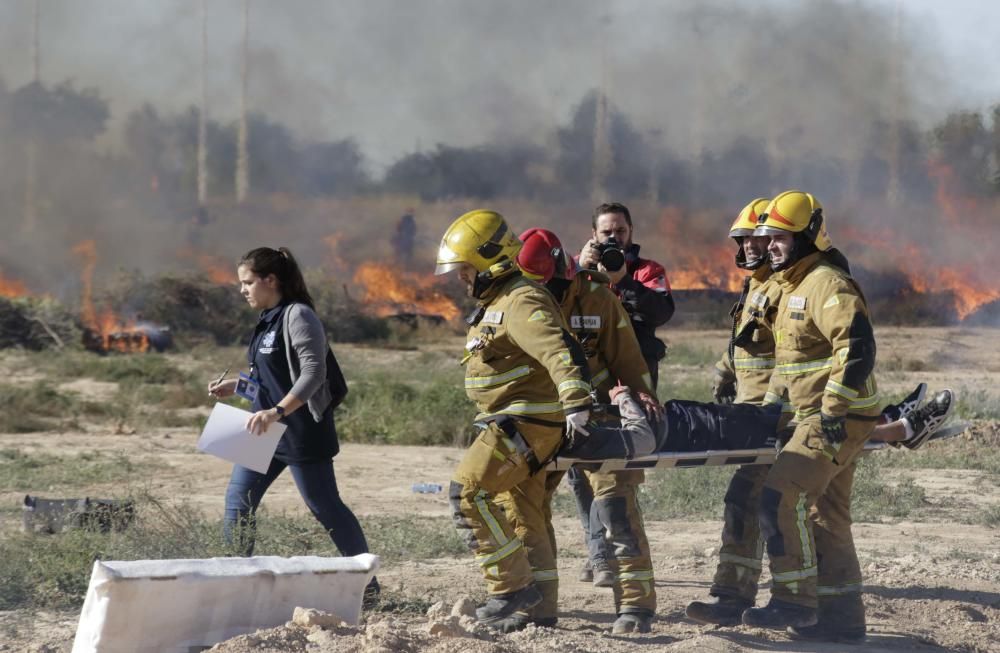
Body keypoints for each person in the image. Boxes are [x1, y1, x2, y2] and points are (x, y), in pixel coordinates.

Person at [686, 199, 936, 626]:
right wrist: (768, 411)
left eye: (780, 238)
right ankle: (841, 620)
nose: (770, 247)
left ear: (806, 238)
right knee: (824, 513)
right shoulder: (792, 285)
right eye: (768, 239)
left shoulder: (826, 284)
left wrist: (833, 411)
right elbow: (790, 362)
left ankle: (794, 603)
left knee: (780, 497)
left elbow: (857, 349)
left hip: (835, 417)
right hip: (808, 415)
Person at [434, 210, 593, 633]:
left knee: (468, 493)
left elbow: (559, 349)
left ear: (489, 261)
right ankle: (539, 612)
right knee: (524, 515)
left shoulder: (521, 299)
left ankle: (510, 590)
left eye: (466, 269)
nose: (461, 278)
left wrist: (576, 399)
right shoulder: (499, 302)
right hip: (516, 421)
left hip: (526, 424)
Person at [207, 247, 377, 598]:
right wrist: (237, 386)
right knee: (238, 500)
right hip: (264, 429)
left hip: (300, 431)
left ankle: (367, 586)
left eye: (248, 282)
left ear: (271, 280)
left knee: (324, 506)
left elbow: (314, 373)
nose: (243, 290)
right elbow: (273, 379)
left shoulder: (298, 315)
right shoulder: (267, 319)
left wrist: (278, 411)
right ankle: (234, 586)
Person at [515, 228, 657, 634]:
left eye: (554, 285)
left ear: (567, 269)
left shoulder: (598, 297)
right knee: (528, 504)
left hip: (600, 417)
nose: (549, 293)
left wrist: (639, 402)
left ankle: (636, 606)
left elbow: (628, 361)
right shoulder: (520, 299)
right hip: (545, 418)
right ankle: (541, 606)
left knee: (615, 504)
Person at [577, 202, 674, 388]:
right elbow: (553, 306)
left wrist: (624, 281)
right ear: (594, 234)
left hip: (636, 373)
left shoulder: (648, 270)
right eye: (606, 233)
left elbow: (662, 313)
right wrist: (578, 270)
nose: (614, 238)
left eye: (621, 231)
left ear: (630, 230)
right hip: (590, 372)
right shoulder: (577, 267)